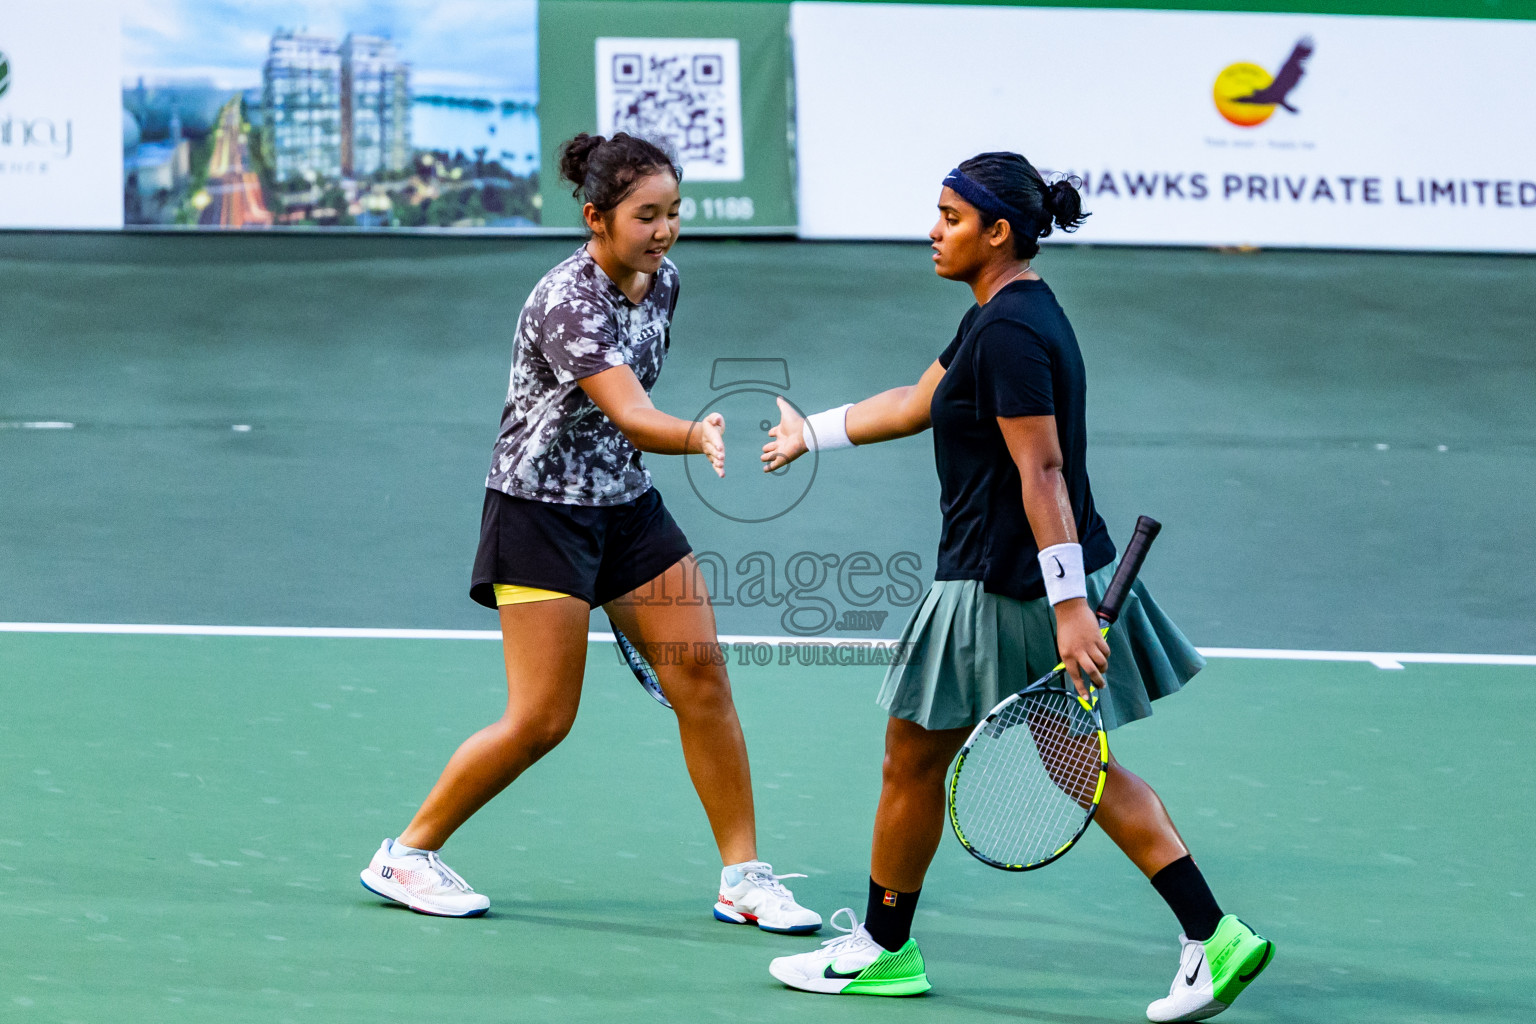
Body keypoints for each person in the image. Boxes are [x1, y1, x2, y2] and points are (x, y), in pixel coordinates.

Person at [758, 153, 1272, 1020]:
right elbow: (919, 400)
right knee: (1069, 764)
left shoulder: (1007, 333)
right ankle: (1211, 936)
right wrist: (811, 431)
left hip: (1003, 587)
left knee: (921, 760)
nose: (933, 229)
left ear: (998, 232)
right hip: (1021, 581)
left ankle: (885, 950)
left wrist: (1072, 607)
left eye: (951, 217)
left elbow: (1043, 472)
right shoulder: (1004, 314)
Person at [359, 132, 821, 936]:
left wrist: (664, 446)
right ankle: (406, 853)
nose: (666, 230)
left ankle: (744, 878)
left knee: (702, 681)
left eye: (675, 212)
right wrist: (694, 435)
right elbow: (634, 414)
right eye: (647, 215)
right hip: (540, 515)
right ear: (596, 217)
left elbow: (628, 427)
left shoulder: (664, 282)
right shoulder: (567, 302)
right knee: (542, 718)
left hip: (626, 508)